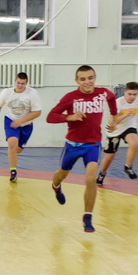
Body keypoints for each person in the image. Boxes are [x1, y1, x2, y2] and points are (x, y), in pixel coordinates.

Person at [45, 65, 117, 233]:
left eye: (90, 78)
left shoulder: (102, 93)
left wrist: (114, 118)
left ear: (95, 78)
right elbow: (50, 117)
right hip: (73, 145)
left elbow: (112, 98)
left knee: (91, 179)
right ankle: (56, 186)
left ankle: (87, 216)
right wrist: (69, 117)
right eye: (83, 79)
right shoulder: (70, 97)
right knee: (61, 174)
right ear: (77, 81)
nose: (87, 82)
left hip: (92, 145)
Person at [97, 81, 138, 185]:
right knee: (109, 157)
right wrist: (125, 115)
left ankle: (128, 166)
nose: (132, 97)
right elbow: (112, 122)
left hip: (129, 127)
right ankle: (102, 173)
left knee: (135, 143)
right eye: (129, 94)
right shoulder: (118, 103)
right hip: (115, 130)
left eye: (135, 94)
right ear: (125, 92)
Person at [0, 71, 42, 182]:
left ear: (26, 83)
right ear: (15, 81)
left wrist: (21, 121)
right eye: (18, 83)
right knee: (12, 143)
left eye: (22, 84)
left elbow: (37, 112)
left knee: (17, 150)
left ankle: (15, 153)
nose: (20, 86)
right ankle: (13, 172)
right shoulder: (6, 93)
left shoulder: (32, 94)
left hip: (26, 124)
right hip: (11, 121)